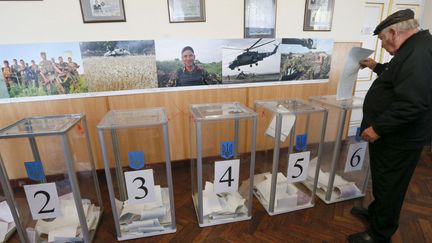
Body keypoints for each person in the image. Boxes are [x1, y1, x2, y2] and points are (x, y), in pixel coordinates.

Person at [348, 9, 432, 243]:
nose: (383, 46)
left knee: (391, 184)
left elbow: (412, 103)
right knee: (383, 179)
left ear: (394, 32)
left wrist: (378, 128)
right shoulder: (414, 48)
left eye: (383, 40)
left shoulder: (419, 53)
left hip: (400, 138)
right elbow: (397, 79)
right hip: (394, 136)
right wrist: (376, 66)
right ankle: (377, 213)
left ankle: (379, 234)